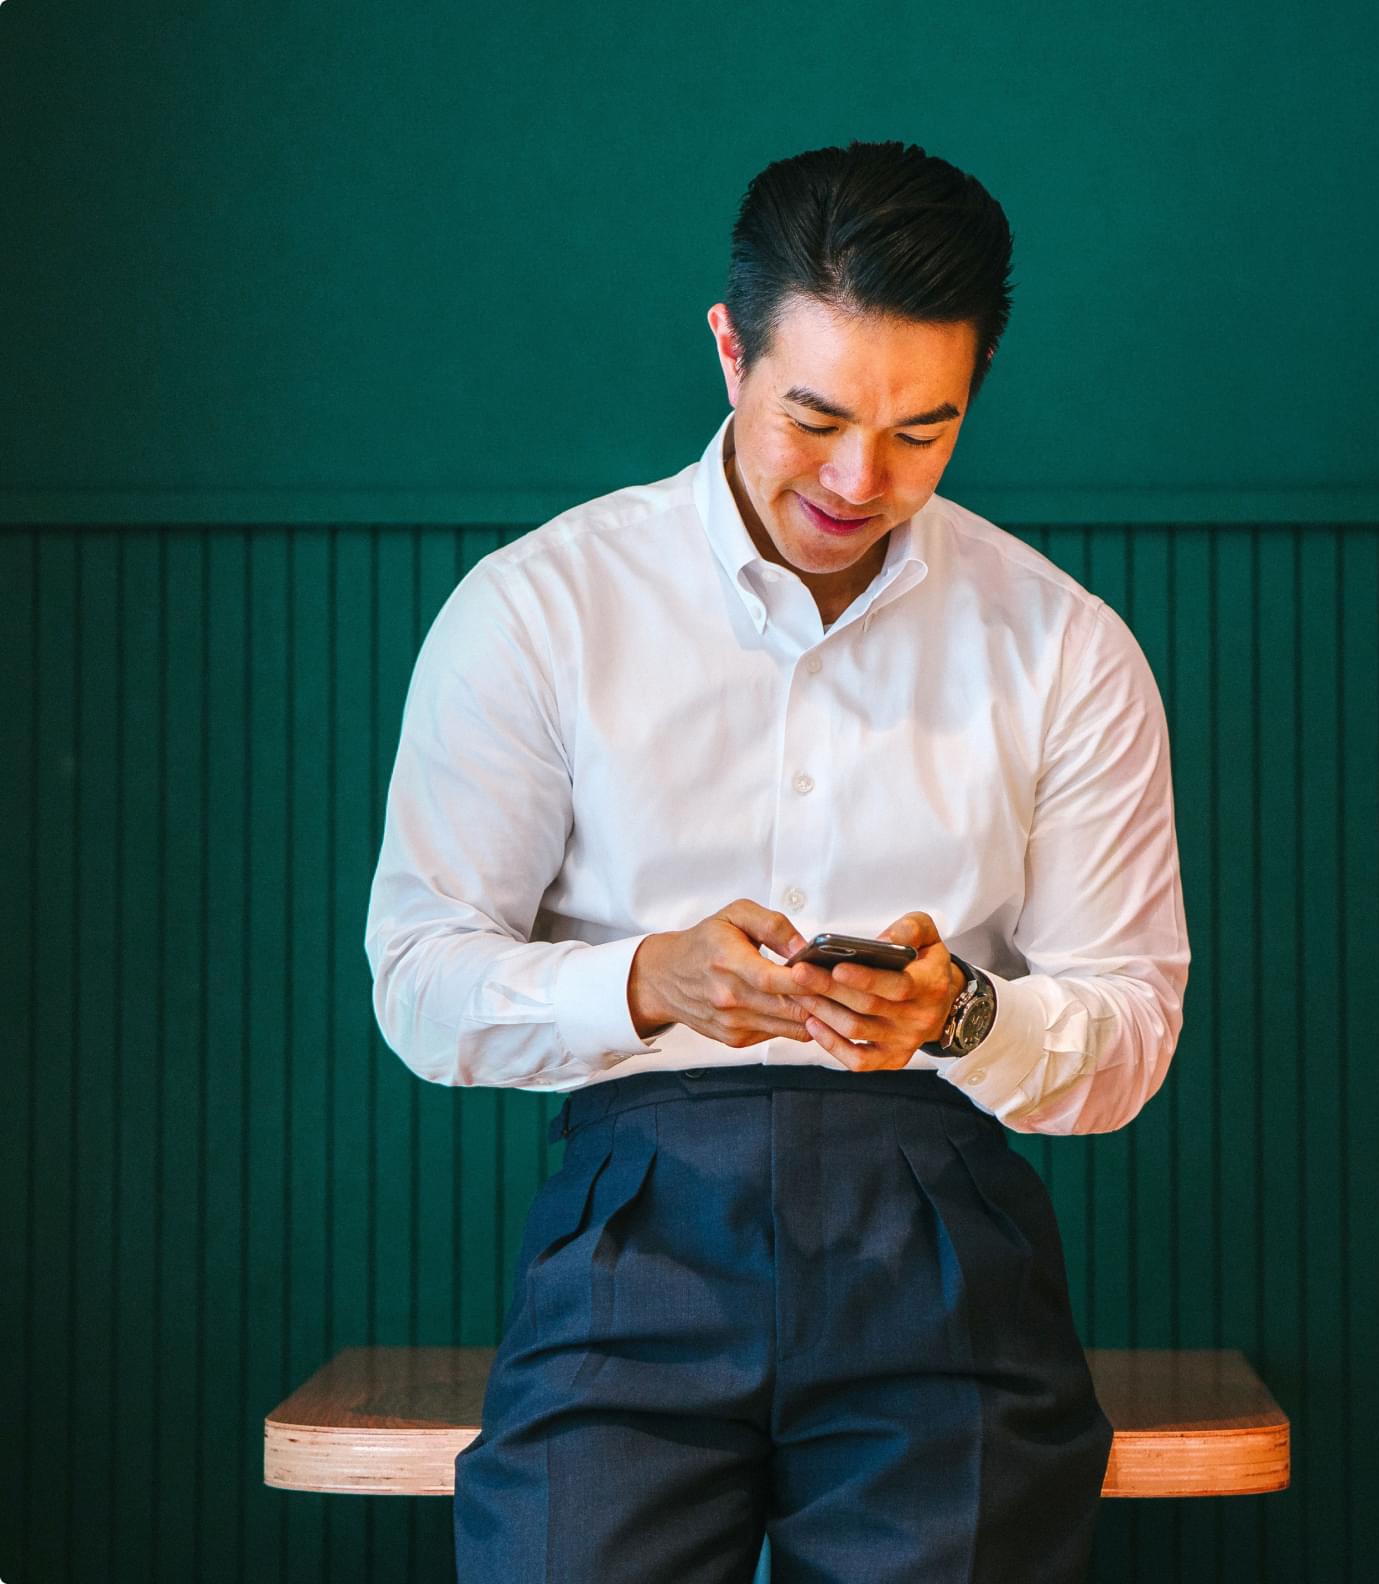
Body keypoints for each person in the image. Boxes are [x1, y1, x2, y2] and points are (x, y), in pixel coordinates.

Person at [363, 138, 1189, 1584]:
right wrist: (647, 983)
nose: (861, 479)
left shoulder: (1066, 646)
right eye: (815, 416)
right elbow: (420, 983)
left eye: (922, 431)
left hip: (944, 1238)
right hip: (630, 1231)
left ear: (975, 390)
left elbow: (1129, 1036)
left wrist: (962, 1015)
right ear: (729, 350)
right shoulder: (538, 610)